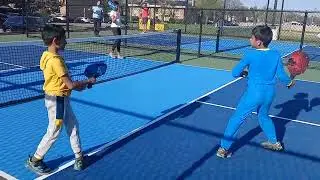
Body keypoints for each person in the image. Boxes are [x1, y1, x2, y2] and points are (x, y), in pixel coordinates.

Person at [25, 24, 96, 174]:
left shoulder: (46, 55)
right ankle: (35, 160)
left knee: (73, 126)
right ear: (56, 40)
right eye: (64, 39)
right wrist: (87, 81)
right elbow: (70, 85)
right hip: (57, 100)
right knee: (54, 130)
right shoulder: (55, 60)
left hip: (61, 98)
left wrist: (81, 85)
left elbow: (66, 84)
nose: (66, 42)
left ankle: (79, 157)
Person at [216, 25, 295, 158]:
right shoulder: (275, 54)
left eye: (252, 38)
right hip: (269, 94)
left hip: (254, 94)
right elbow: (281, 76)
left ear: (258, 41)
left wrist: (244, 73)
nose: (250, 39)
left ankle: (224, 149)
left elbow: (235, 73)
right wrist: (290, 82)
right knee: (263, 116)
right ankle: (274, 142)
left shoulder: (250, 54)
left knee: (237, 118)